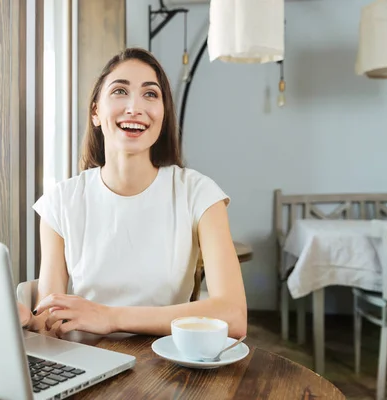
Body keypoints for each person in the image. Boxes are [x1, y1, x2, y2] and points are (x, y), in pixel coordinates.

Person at [18, 47, 247, 339]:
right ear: (95, 112)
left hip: (167, 369)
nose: (134, 107)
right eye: (119, 91)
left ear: (163, 115)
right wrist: (27, 319)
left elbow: (234, 317)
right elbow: (49, 325)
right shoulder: (60, 202)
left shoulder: (199, 194)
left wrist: (111, 317)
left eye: (150, 94)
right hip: (86, 365)